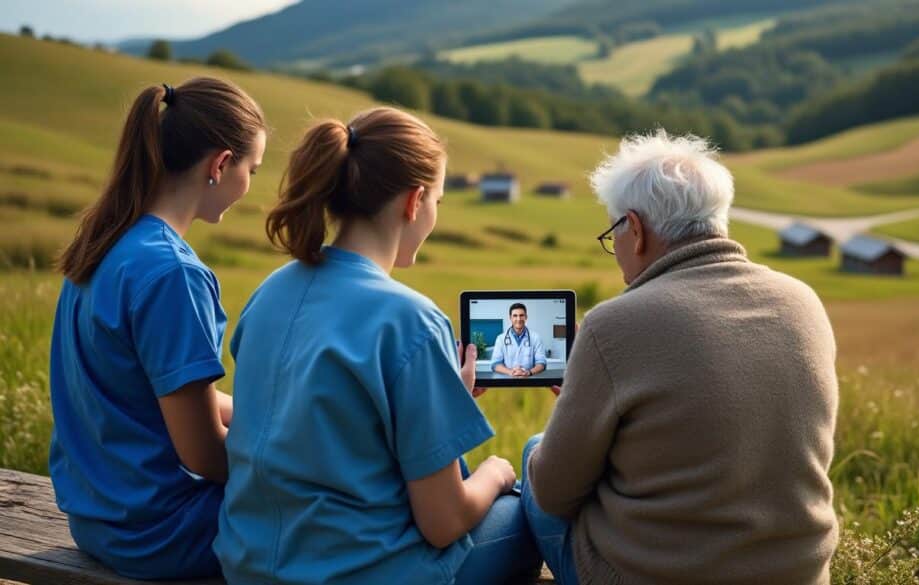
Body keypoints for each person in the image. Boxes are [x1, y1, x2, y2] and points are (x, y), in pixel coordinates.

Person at [214, 107, 541, 585]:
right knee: (522, 515)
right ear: (414, 202)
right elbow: (442, 521)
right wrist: (497, 473)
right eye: (438, 202)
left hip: (248, 565)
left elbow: (321, 433)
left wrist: (441, 402)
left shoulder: (271, 291)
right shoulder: (411, 320)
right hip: (366, 574)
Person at [520, 130, 839, 584]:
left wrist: (576, 408)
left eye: (613, 233)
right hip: (798, 574)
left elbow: (554, 494)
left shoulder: (612, 324)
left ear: (636, 226)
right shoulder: (803, 301)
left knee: (536, 452)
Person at [49, 77, 267, 579]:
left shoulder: (107, 242)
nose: (249, 185)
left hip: (98, 517)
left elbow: (156, 394)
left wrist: (270, 416)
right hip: (162, 533)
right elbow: (206, 456)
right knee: (347, 509)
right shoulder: (174, 274)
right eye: (250, 170)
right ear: (219, 164)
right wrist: (302, 462)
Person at [490, 302, 547, 378]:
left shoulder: (536, 337)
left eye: (521, 315)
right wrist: (510, 372)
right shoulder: (500, 338)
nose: (518, 319)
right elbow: (495, 364)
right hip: (507, 383)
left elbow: (541, 363)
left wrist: (529, 372)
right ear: (510, 318)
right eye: (515, 316)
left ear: (526, 317)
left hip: (530, 382)